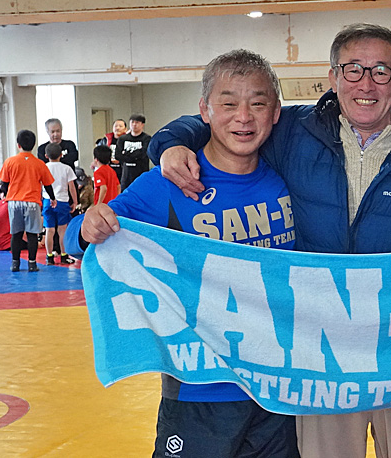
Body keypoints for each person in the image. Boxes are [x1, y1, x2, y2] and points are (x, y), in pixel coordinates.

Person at [148, 24, 391, 458]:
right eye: (353, 69)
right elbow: (228, 118)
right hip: (318, 355)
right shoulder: (294, 134)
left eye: (381, 71)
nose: (366, 84)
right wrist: (170, 144)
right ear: (333, 77)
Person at [66, 49, 299, 458]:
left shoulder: (290, 179)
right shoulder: (168, 184)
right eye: (229, 104)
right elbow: (77, 238)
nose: (244, 117)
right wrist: (87, 226)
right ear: (204, 111)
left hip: (281, 388)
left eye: (258, 104)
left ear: (276, 112)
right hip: (198, 389)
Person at [0, 130, 56, 272]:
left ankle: (15, 264)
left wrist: (2, 193)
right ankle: (32, 264)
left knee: (16, 234)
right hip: (32, 203)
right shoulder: (39, 164)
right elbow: (47, 184)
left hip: (14, 202)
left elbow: (4, 183)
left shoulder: (10, 162)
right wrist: (52, 198)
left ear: (18, 145)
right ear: (34, 145)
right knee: (32, 234)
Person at [43, 142, 78, 265]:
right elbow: (72, 186)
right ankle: (64, 256)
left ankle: (49, 257)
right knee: (62, 230)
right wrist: (75, 201)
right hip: (62, 201)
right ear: (61, 155)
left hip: (47, 201)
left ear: (46, 156)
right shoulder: (66, 168)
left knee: (49, 230)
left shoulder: (44, 167)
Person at [115, 114, 151, 191]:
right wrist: (134, 155)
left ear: (142, 124)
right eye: (132, 122)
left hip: (141, 174)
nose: (134, 124)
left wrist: (127, 154)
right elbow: (117, 155)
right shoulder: (122, 138)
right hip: (126, 175)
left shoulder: (146, 138)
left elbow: (144, 154)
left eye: (137, 122)